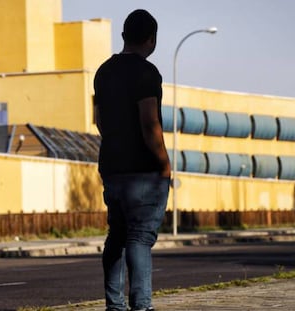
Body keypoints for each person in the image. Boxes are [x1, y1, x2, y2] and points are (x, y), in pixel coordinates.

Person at [93, 9, 171, 311]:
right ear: (151, 40)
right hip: (143, 172)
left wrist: (115, 142)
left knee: (118, 235)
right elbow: (150, 124)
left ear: (124, 36)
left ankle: (115, 306)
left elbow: (99, 119)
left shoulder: (103, 71)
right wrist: (164, 165)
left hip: (112, 167)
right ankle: (142, 306)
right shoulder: (147, 73)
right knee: (139, 238)